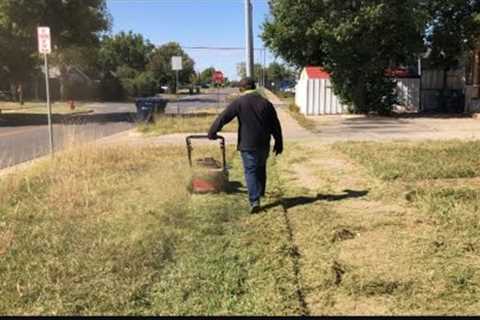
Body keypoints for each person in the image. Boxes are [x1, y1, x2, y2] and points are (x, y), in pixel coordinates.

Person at [208, 77, 283, 213]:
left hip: (248, 144)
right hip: (264, 143)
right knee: (261, 168)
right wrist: (279, 142)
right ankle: (259, 193)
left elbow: (224, 117)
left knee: (250, 171)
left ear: (242, 88)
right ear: (254, 87)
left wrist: (212, 131)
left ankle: (255, 201)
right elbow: (275, 124)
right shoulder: (266, 103)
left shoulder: (240, 102)